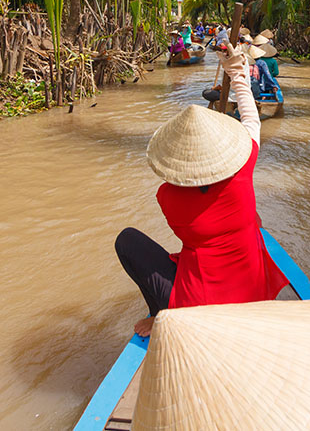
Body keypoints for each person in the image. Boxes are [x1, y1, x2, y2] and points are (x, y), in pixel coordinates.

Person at [115, 42, 289, 337]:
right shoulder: (243, 168)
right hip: (251, 288)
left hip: (198, 303)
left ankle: (160, 313)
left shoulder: (167, 196)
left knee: (127, 240)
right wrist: (236, 72)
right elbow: (250, 120)